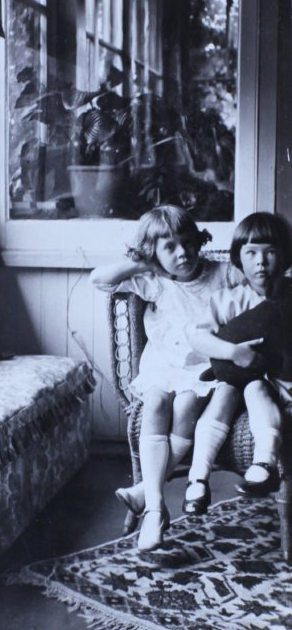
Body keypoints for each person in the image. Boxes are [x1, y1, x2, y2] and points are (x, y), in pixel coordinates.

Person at [90, 205, 241, 551]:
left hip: (203, 366)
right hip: (162, 364)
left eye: (187, 242)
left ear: (198, 241)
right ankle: (156, 509)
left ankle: (147, 493)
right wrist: (143, 263)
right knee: (156, 401)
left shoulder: (221, 274)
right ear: (153, 253)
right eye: (169, 247)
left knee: (186, 405)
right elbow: (99, 280)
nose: (182, 253)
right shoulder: (156, 282)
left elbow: (260, 282)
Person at [184, 211, 292, 508]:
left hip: (277, 383)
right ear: (238, 258)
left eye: (270, 252)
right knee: (224, 394)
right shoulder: (227, 299)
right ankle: (198, 478)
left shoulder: (288, 296)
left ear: (285, 256)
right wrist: (233, 352)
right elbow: (198, 337)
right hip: (234, 379)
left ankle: (264, 464)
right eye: (251, 253)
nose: (261, 261)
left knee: (256, 388)